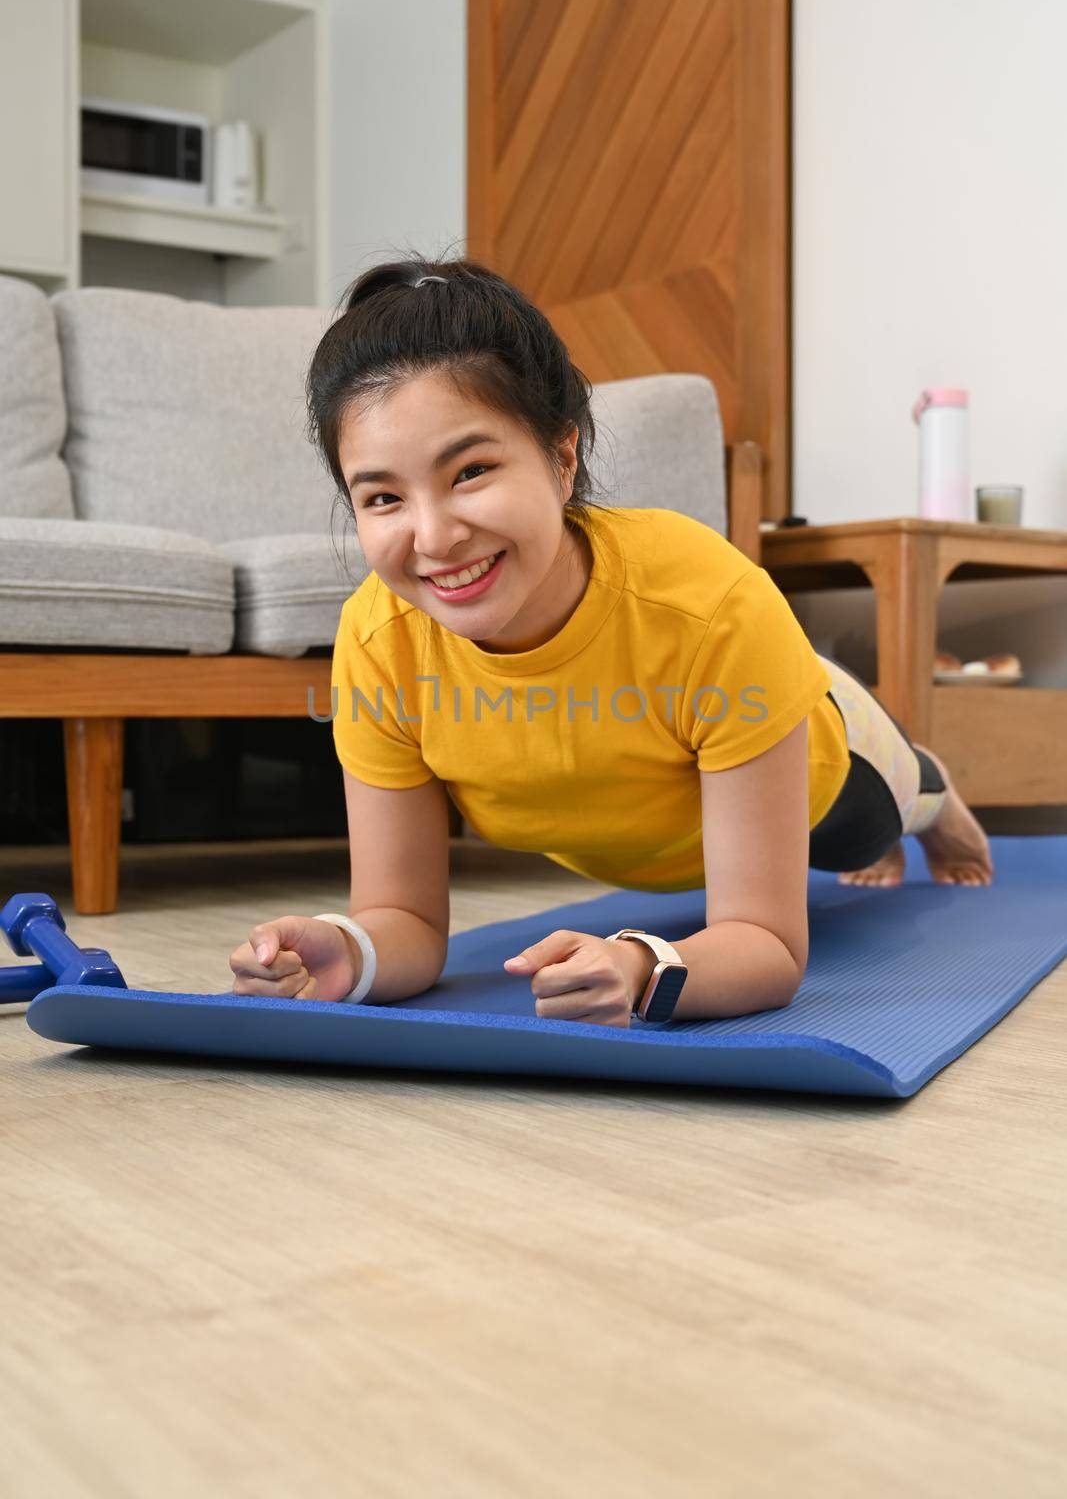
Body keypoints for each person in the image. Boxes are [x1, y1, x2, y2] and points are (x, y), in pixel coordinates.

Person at [227, 252, 993, 1025]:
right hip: (672, 777)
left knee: (873, 832)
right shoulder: (378, 640)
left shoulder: (712, 602)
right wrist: (346, 951)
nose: (433, 537)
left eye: (469, 472)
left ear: (562, 458)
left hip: (827, 767)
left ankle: (935, 787)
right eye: (383, 496)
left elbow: (764, 942)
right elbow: (410, 925)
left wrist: (642, 966)